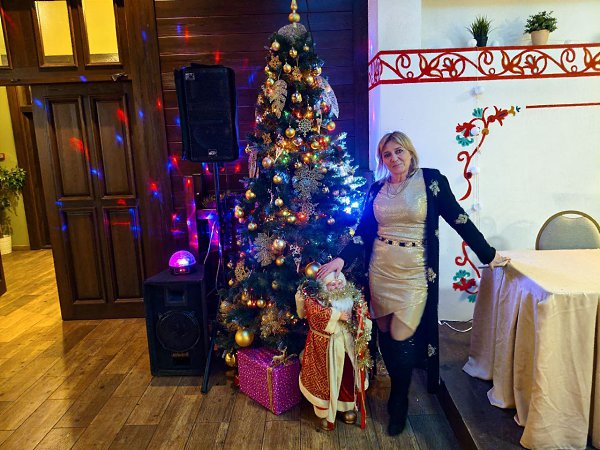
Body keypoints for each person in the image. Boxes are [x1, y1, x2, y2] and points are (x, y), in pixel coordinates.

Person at [316, 131, 509, 436]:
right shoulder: (377, 189)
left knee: (402, 335)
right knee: (385, 334)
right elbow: (363, 230)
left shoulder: (431, 181)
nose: (394, 158)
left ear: (409, 152)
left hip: (414, 274)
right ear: (382, 160)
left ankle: (399, 400)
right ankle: (397, 388)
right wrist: (341, 258)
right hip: (380, 271)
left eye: (399, 151)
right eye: (387, 154)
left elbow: (458, 218)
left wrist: (489, 253)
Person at [296, 271, 372, 430]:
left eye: (340, 283)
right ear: (325, 286)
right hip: (326, 347)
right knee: (326, 378)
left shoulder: (352, 296)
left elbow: (363, 311)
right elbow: (314, 314)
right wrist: (336, 315)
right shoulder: (316, 298)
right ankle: (325, 412)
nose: (337, 287)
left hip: (348, 345)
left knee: (347, 376)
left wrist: (360, 317)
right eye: (332, 284)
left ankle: (346, 407)